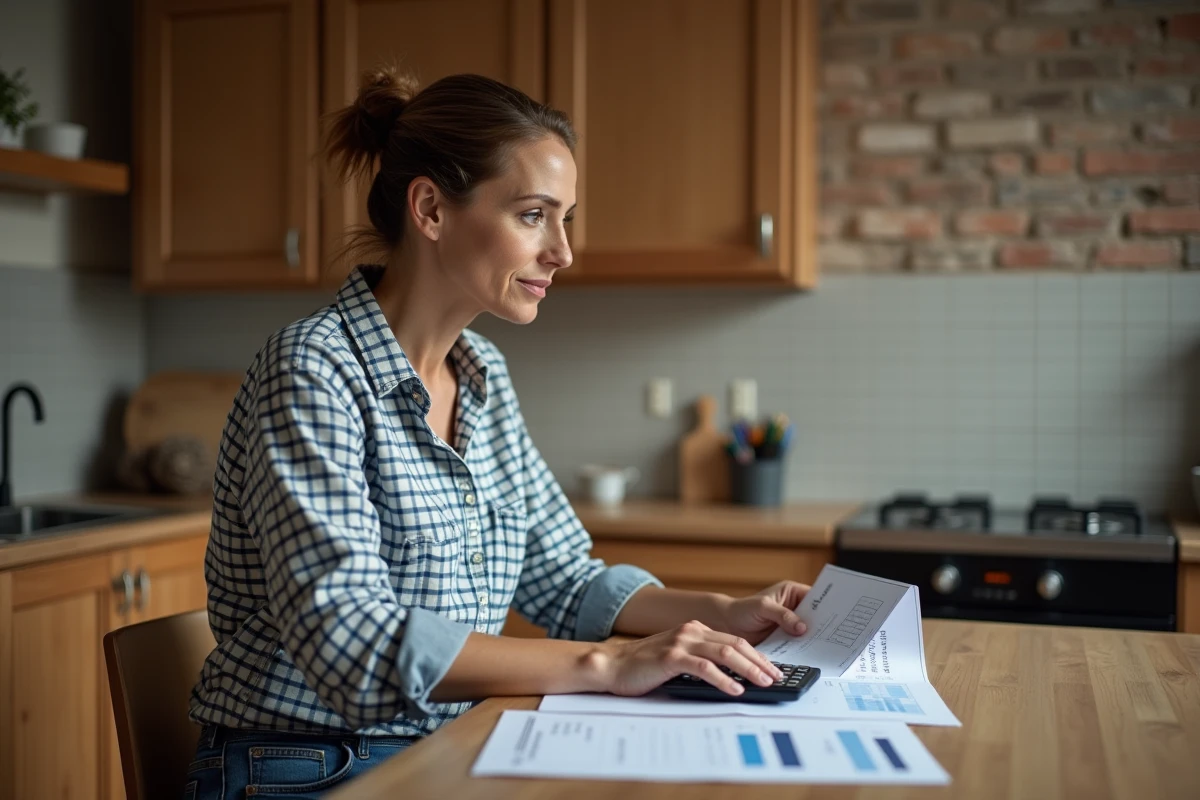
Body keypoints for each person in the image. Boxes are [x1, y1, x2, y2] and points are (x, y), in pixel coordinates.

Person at [182, 66, 812, 799]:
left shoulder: (482, 372)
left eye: (564, 218)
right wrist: (607, 665)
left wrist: (720, 612)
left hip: (443, 745)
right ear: (431, 209)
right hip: (306, 767)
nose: (562, 253)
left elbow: (564, 578)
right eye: (532, 215)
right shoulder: (312, 370)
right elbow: (349, 643)